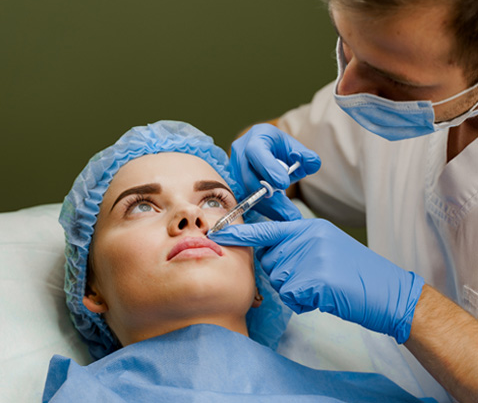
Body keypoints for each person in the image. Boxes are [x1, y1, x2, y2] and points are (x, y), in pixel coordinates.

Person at [209, 0, 478, 403]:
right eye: (345, 48)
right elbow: (290, 142)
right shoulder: (382, 88)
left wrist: (411, 307)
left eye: (395, 81)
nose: (348, 90)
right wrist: (258, 152)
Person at [43, 120, 436, 402]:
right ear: (90, 289)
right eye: (142, 206)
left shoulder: (373, 394)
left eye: (214, 201)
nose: (190, 217)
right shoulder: (84, 395)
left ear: (259, 280)